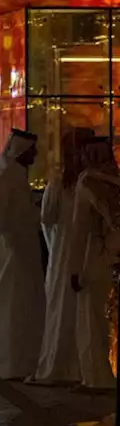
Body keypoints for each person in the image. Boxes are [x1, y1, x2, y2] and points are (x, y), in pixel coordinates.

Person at [0, 129, 44, 380]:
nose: (35, 155)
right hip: (13, 252)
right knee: (11, 303)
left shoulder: (16, 174)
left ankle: (23, 362)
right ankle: (8, 364)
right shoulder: (6, 175)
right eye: (31, 150)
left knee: (24, 304)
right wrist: (12, 241)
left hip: (23, 249)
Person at [33, 130, 89, 384]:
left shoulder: (62, 183)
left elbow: (47, 218)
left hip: (65, 250)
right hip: (81, 251)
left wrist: (54, 242)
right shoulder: (79, 183)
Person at [73, 138, 120, 390]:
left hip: (94, 257)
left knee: (91, 320)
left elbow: (80, 228)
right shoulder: (114, 179)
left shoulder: (88, 182)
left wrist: (74, 268)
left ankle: (96, 378)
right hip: (114, 257)